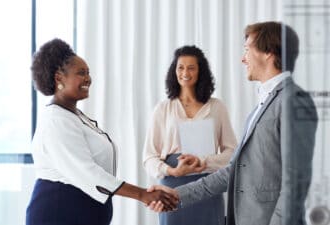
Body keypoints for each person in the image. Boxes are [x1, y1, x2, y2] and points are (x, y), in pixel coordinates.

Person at [148, 21, 318, 225]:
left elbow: (295, 184)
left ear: (268, 53)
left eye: (247, 50)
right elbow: (233, 171)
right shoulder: (260, 108)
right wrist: (175, 195)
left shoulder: (293, 100)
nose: (242, 58)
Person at [25, 38, 178, 225]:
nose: (88, 79)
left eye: (88, 73)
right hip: (59, 212)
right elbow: (88, 173)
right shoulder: (57, 121)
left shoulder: (75, 116)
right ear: (59, 78)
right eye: (81, 73)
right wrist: (143, 194)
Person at [143, 45, 237, 225]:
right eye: (181, 67)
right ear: (174, 71)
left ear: (200, 71)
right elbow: (149, 157)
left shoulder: (217, 107)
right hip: (172, 184)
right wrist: (171, 170)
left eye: (191, 67)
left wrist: (204, 162)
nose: (185, 72)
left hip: (209, 183)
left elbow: (232, 152)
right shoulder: (163, 108)